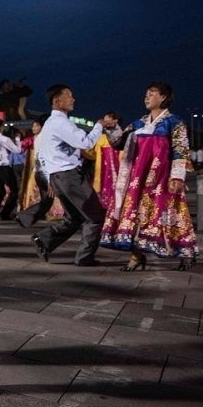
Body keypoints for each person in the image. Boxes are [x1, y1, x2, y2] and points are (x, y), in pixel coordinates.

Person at [101, 82, 199, 271]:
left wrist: (177, 177)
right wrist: (111, 128)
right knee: (137, 214)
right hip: (139, 178)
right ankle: (137, 256)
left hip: (164, 178)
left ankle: (186, 252)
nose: (146, 97)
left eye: (152, 93)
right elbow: (118, 143)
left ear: (163, 97)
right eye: (146, 94)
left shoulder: (174, 122)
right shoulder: (139, 123)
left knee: (172, 213)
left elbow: (181, 150)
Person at [31, 84, 112, 266]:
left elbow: (42, 155)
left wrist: (50, 177)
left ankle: (43, 240)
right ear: (57, 101)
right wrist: (98, 126)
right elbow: (85, 142)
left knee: (74, 217)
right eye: (69, 96)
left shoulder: (49, 125)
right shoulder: (61, 122)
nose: (73, 99)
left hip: (58, 176)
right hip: (70, 176)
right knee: (96, 216)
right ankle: (85, 257)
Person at [16, 114, 63, 227]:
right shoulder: (45, 137)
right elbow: (45, 158)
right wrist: (49, 178)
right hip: (45, 172)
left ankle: (26, 218)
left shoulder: (38, 137)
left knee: (47, 200)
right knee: (54, 197)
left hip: (39, 172)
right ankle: (25, 216)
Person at [81, 111, 121, 210]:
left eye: (108, 119)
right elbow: (93, 155)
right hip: (102, 171)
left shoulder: (121, 136)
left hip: (117, 170)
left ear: (115, 120)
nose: (105, 122)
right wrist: (82, 150)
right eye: (104, 120)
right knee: (102, 191)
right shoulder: (100, 137)